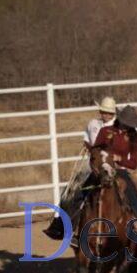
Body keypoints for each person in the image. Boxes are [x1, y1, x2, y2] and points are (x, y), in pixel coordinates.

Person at [43, 96, 116, 240]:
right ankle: (65, 228)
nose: (105, 114)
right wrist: (91, 150)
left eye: (108, 112)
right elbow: (87, 140)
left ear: (113, 113)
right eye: (103, 111)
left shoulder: (119, 127)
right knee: (72, 192)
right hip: (94, 166)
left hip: (113, 167)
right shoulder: (93, 124)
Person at [92, 104, 137, 218]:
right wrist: (99, 163)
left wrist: (120, 159)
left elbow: (134, 163)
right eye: (127, 123)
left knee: (133, 194)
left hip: (119, 171)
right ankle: (64, 225)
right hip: (101, 169)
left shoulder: (134, 137)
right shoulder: (105, 131)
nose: (129, 126)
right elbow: (95, 151)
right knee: (79, 192)